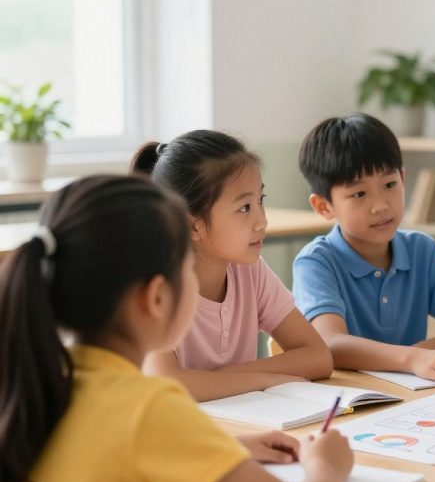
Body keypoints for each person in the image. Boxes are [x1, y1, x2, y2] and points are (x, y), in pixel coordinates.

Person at [0, 175, 352, 482]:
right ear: (156, 298)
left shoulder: (43, 381)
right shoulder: (150, 410)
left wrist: (224, 449)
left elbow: (111, 460)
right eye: (188, 267)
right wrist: (326, 466)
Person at [132, 130, 333, 401]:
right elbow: (169, 385)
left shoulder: (250, 271)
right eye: (244, 208)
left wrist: (229, 376)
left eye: (260, 200)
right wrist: (262, 379)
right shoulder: (155, 286)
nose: (262, 220)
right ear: (193, 224)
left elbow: (318, 356)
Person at [293, 114, 435, 385]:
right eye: (359, 194)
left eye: (389, 185)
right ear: (324, 206)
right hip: (350, 398)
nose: (380, 205)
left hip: (411, 395)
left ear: (403, 178)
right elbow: (330, 344)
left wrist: (416, 357)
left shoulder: (421, 250)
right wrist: (411, 360)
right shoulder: (316, 262)